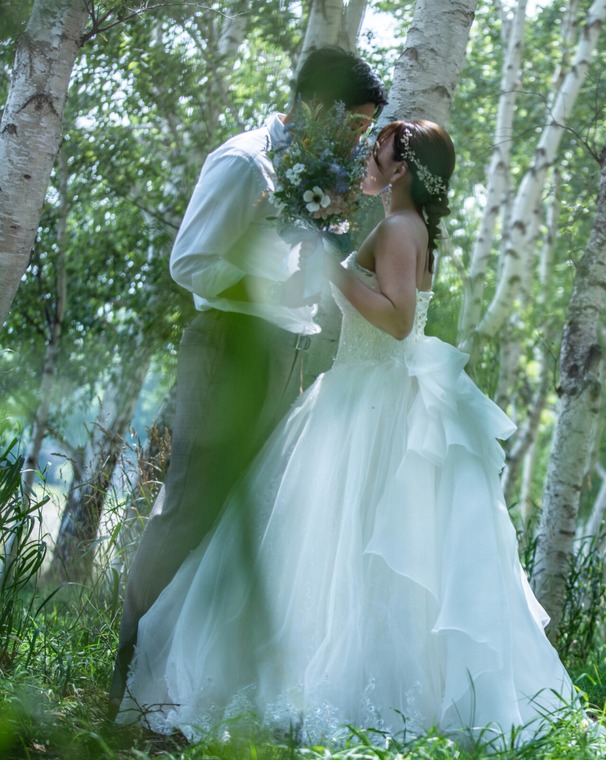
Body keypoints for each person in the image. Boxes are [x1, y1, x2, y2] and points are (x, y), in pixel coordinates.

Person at [115, 120, 577, 747]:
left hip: (370, 396)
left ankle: (322, 686)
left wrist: (332, 270)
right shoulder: (403, 226)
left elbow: (396, 318)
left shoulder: (395, 229)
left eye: (380, 148)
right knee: (344, 547)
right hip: (365, 390)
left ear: (403, 168)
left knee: (342, 543)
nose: (368, 153)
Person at [110, 47, 386, 708]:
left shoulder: (318, 173)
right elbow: (191, 262)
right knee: (191, 508)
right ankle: (124, 677)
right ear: (318, 108)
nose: (357, 143)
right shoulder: (244, 162)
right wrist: (270, 288)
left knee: (256, 514)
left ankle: (186, 684)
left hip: (285, 352)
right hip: (230, 346)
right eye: (353, 127)